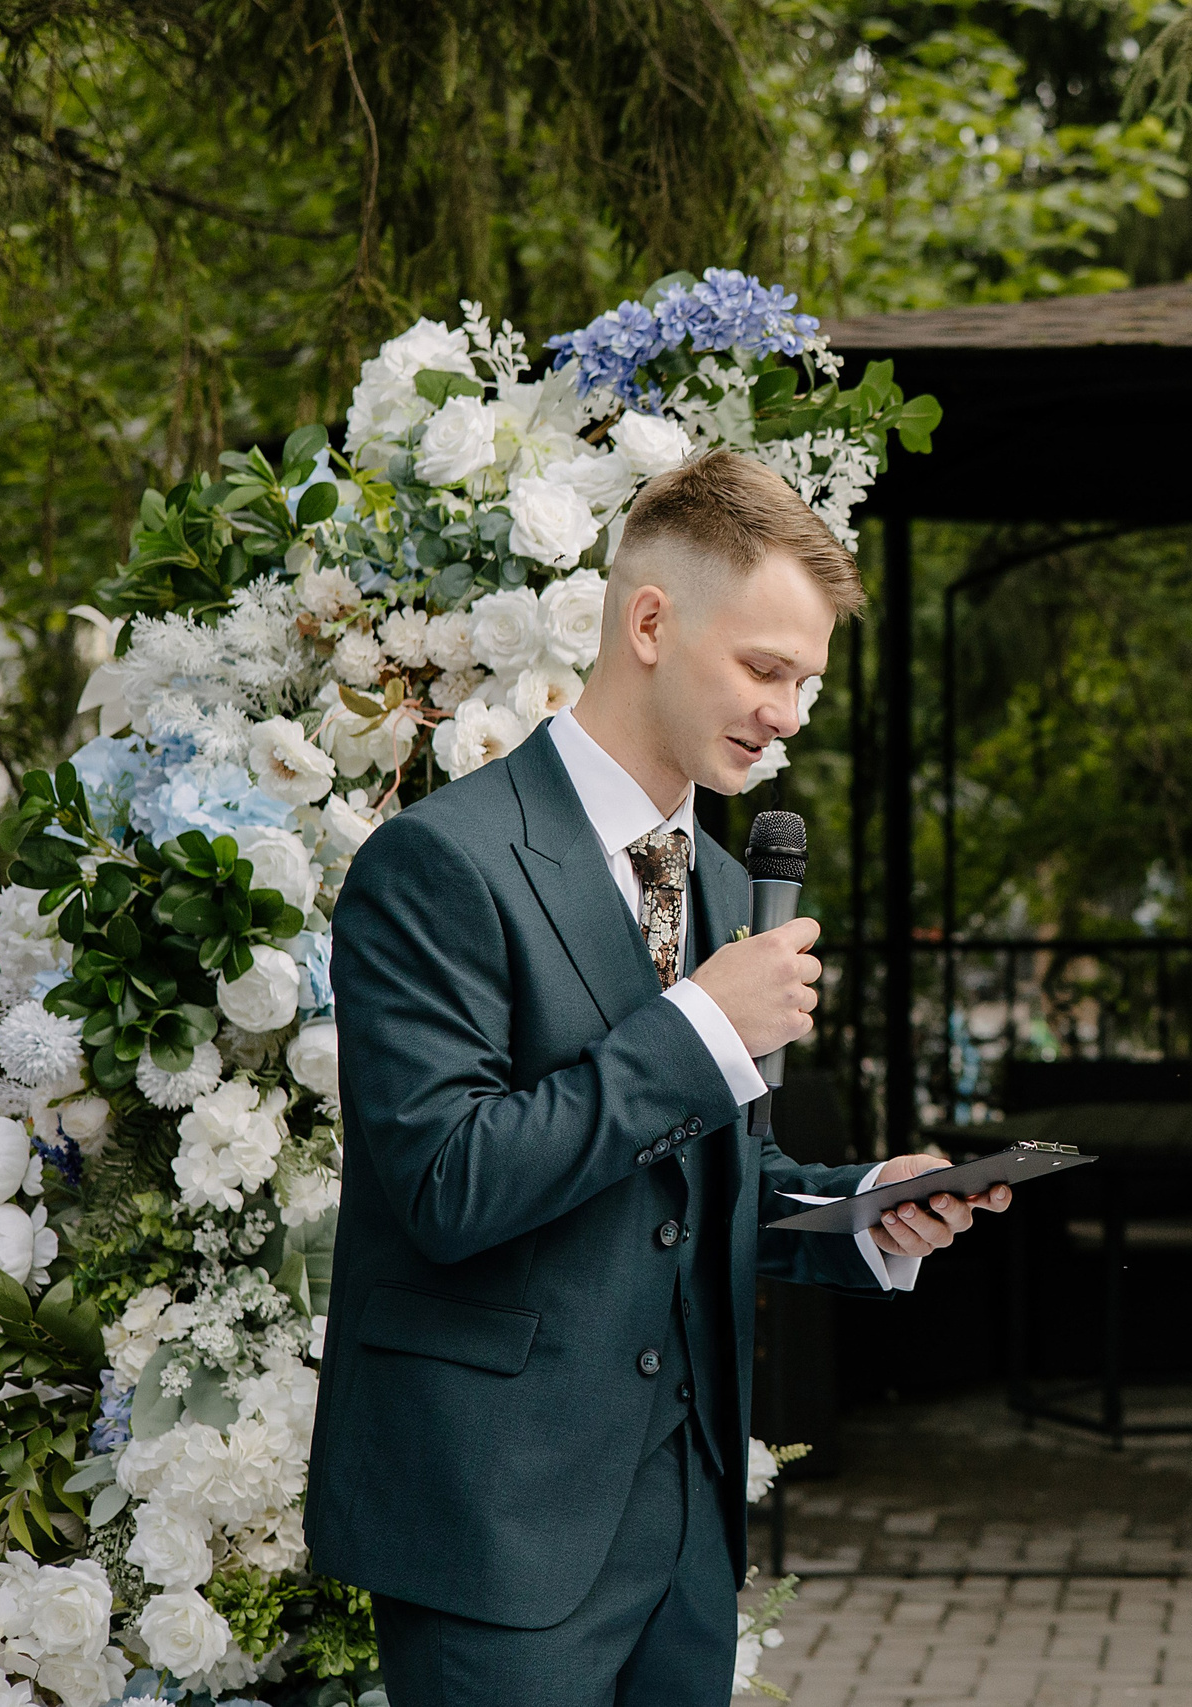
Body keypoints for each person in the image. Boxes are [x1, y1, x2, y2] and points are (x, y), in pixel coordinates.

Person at [308, 450, 1006, 1704]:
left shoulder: (732, 889)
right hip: (497, 1524)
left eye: (807, 684)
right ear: (648, 623)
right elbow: (447, 1183)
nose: (790, 712)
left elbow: (700, 1185)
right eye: (765, 668)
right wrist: (694, 1031)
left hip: (686, 1525)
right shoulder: (440, 865)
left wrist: (863, 1209)